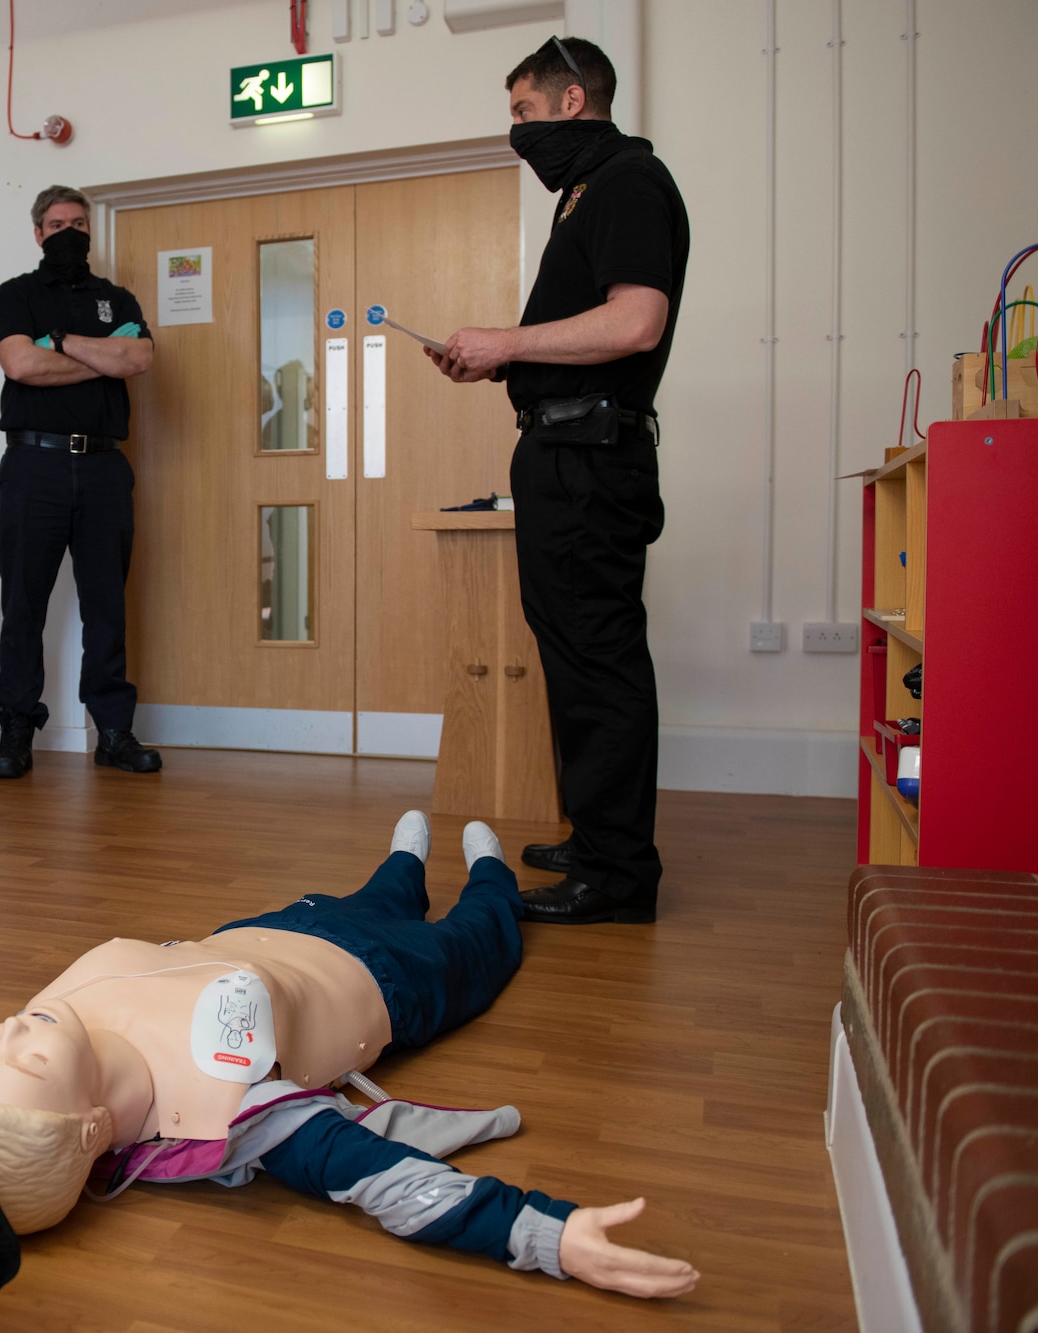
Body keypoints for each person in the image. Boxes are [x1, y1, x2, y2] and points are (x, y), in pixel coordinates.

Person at [0, 813, 700, 1300]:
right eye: (22, 1060)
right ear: (95, 1125)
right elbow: (383, 1179)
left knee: (374, 893)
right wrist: (547, 1234)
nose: (9, 1031)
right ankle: (490, 872)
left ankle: (404, 861)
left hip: (273, 929)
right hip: (391, 980)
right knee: (485, 933)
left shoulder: (57, 1013)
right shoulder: (226, 1109)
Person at [425, 37, 689, 926]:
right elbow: (580, 336)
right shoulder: (585, 192)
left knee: (598, 655)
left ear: (574, 101)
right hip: (561, 449)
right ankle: (598, 837)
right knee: (573, 651)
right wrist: (500, 365)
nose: (518, 132)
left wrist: (507, 342)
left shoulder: (626, 183)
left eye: (524, 114)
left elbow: (635, 320)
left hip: (590, 458)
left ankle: (618, 876)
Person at [0, 186, 161, 780]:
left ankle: (113, 731)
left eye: (79, 223)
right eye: (58, 223)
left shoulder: (116, 298)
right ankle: (14, 733)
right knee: (25, 603)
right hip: (34, 464)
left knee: (107, 603)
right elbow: (20, 365)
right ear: (38, 233)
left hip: (106, 467)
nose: (69, 232)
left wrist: (59, 343)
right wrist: (99, 357)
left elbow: (137, 360)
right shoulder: (16, 295)